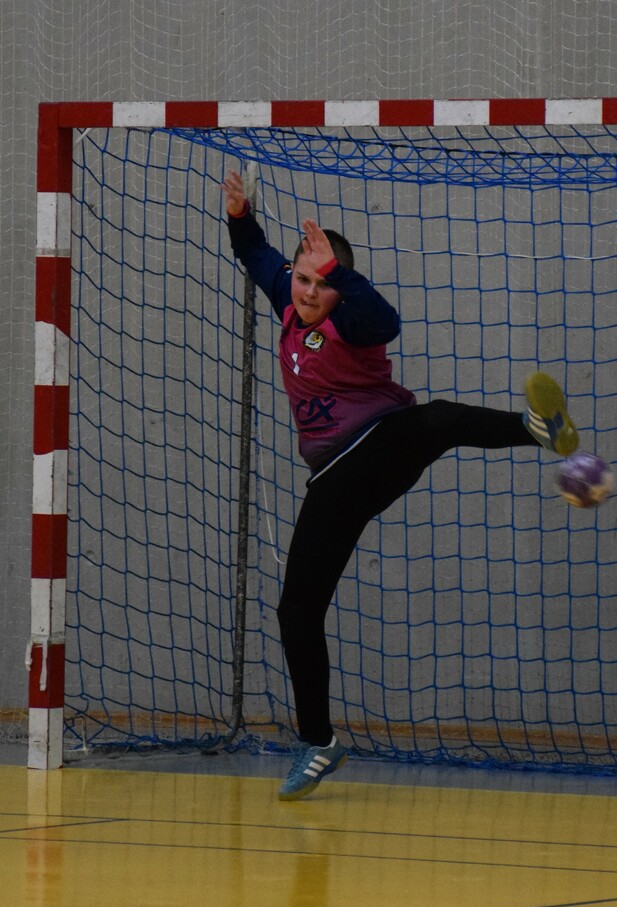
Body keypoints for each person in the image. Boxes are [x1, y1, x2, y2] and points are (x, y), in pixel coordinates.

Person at [220, 170, 581, 801]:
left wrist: (340, 273)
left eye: (321, 283)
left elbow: (383, 319)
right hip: (336, 480)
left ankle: (537, 428)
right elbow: (255, 255)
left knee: (436, 419)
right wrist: (240, 216)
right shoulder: (288, 296)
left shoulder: (353, 319)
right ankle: (319, 742)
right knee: (296, 611)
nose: (308, 292)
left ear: (339, 286)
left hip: (382, 442)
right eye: (302, 280)